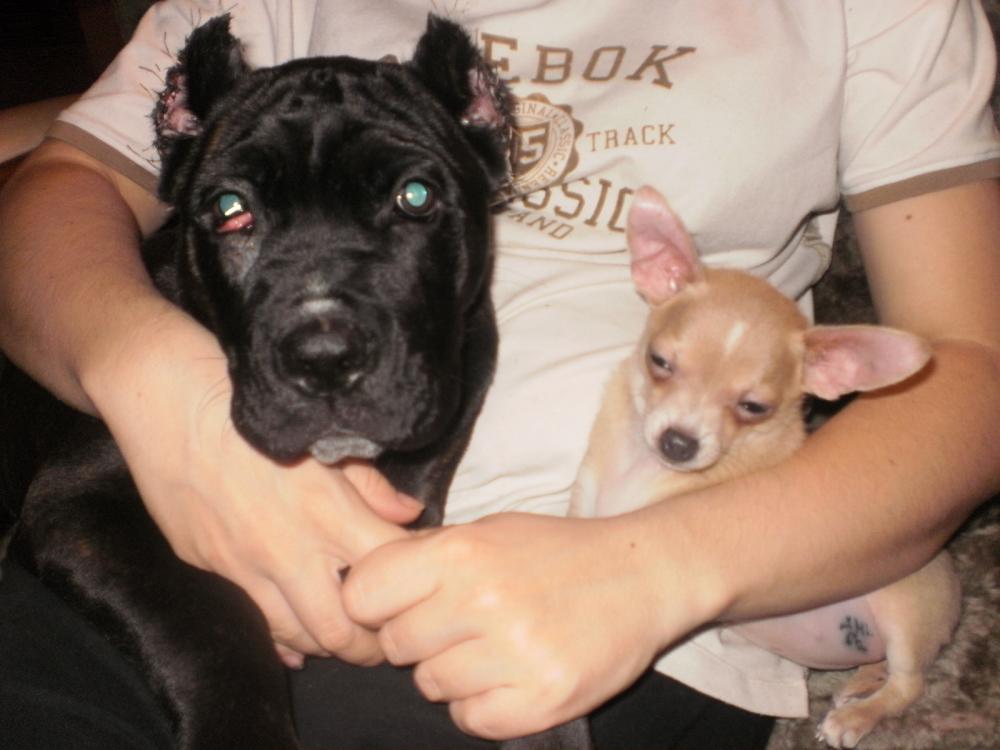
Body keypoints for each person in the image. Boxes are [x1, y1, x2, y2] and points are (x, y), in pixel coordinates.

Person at [1, 1, 998, 748]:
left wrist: (653, 570)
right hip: (155, 556)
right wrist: (181, 410)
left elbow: (974, 370)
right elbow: (62, 185)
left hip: (573, 615)